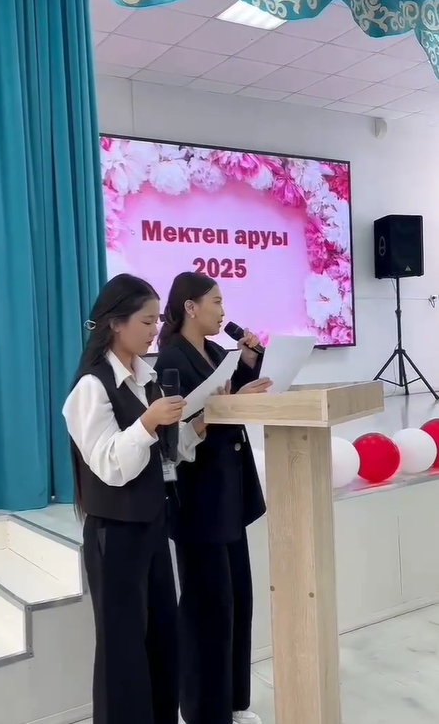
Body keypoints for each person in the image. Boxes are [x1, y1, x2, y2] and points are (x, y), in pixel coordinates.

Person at [62, 273, 206, 724]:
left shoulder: (149, 379)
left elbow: (168, 453)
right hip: (115, 532)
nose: (154, 329)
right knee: (122, 650)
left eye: (157, 319)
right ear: (115, 324)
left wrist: (200, 423)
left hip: (152, 522)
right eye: (146, 321)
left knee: (162, 637)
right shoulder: (91, 387)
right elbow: (109, 463)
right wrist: (147, 423)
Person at [155, 272, 270, 724]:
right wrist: (228, 402)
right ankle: (205, 711)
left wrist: (250, 363)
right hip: (199, 497)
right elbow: (179, 430)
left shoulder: (219, 352)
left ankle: (233, 703)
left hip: (230, 493)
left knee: (237, 599)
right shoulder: (172, 357)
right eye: (216, 302)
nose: (224, 312)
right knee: (208, 606)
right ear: (190, 306)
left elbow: (234, 399)